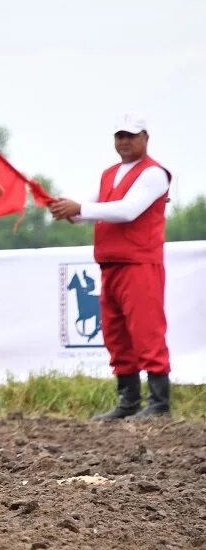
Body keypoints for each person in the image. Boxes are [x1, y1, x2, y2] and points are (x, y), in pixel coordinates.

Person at [49, 113, 172, 420]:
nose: (124, 141)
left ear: (145, 137)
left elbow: (129, 210)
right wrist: (65, 208)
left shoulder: (155, 174)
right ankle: (128, 401)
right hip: (111, 264)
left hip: (140, 263)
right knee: (116, 335)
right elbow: (86, 210)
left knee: (147, 332)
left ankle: (159, 403)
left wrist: (80, 208)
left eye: (130, 136)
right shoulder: (109, 174)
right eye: (119, 136)